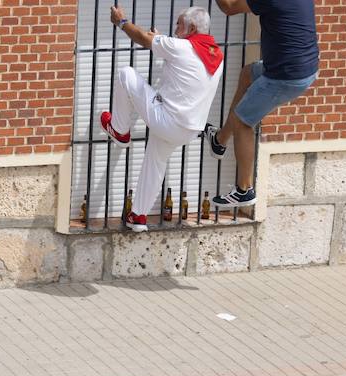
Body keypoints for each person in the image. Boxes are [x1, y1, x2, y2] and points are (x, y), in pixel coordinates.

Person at [100, 6, 223, 233]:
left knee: (126, 74)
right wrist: (162, 41)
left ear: (192, 28)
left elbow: (143, 39)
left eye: (179, 24)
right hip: (188, 130)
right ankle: (138, 216)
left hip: (167, 120)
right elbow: (182, 68)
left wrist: (121, 21)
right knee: (155, 163)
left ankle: (119, 130)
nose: (175, 28)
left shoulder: (181, 47)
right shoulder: (216, 55)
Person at [204, 0, 319, 208]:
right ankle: (219, 141)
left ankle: (244, 190)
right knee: (248, 74)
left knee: (243, 123)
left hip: (284, 77)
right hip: (303, 68)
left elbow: (229, 8)